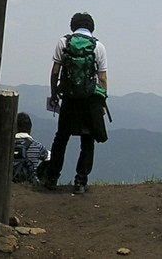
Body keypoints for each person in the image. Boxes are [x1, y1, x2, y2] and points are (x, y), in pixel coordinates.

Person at [44, 13, 108, 194]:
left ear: (73, 26)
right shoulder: (99, 46)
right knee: (87, 140)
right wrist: (102, 101)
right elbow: (102, 78)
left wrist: (54, 92)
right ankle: (80, 181)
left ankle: (52, 178)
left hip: (69, 98)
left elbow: (55, 72)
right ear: (91, 27)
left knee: (61, 138)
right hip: (89, 99)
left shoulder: (63, 42)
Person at [12, 112, 50, 184]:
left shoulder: (6, 146)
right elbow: (50, 157)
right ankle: (44, 182)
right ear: (30, 129)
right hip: (29, 180)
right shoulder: (37, 146)